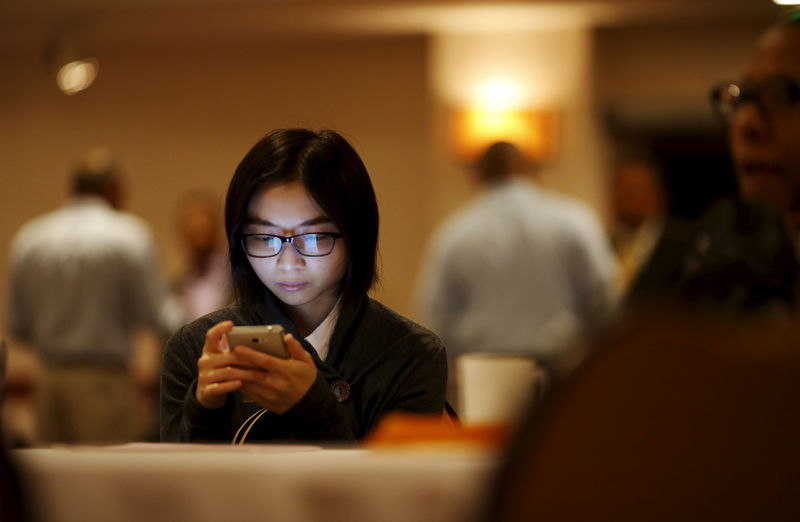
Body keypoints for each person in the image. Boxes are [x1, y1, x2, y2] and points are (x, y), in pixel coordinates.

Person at [160, 128, 448, 443]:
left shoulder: (410, 353)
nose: (287, 261)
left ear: (355, 235)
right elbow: (177, 489)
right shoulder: (195, 349)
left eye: (312, 237)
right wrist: (206, 409)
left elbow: (399, 489)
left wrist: (314, 408)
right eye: (264, 238)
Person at [6, 149, 182, 444]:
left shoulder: (31, 238)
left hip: (48, 380)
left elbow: (17, 324)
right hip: (105, 381)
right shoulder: (128, 236)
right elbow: (159, 315)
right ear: (114, 190)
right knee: (105, 481)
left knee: (48, 481)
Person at [415, 141, 618, 388]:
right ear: (530, 170)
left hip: (485, 375)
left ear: (478, 175)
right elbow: (604, 301)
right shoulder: (574, 222)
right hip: (562, 372)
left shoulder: (454, 233)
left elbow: (435, 317)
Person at [173, 190, 231, 321]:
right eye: (193, 235)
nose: (198, 242)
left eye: (204, 231)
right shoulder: (178, 286)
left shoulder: (236, 277)